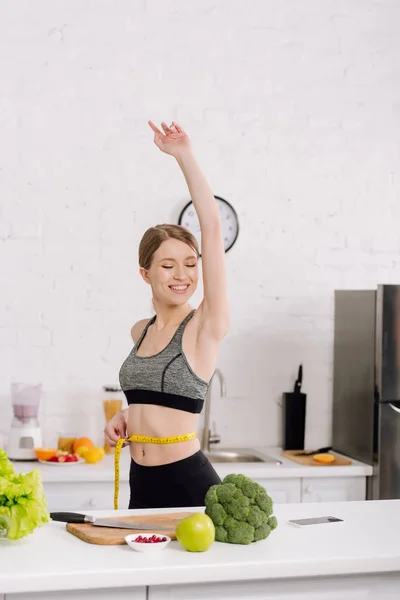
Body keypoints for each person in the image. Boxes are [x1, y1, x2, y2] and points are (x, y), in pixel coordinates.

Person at [104, 120, 230, 510]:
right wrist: (128, 415)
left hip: (188, 482)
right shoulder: (140, 331)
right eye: (168, 266)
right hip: (141, 481)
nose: (183, 276)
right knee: (141, 574)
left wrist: (183, 155)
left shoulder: (205, 327)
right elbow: (156, 399)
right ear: (145, 273)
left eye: (191, 265)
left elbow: (210, 227)